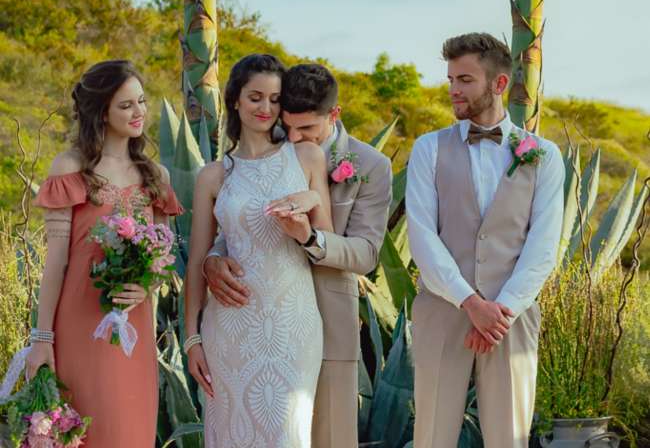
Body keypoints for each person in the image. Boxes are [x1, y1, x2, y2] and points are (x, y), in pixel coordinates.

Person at [203, 63, 393, 447]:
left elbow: (366, 253)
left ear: (333, 115)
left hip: (328, 320)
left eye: (305, 129)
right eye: (287, 126)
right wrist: (213, 256)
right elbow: (244, 216)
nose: (293, 136)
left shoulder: (372, 165)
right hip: (262, 321)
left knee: (330, 439)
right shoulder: (268, 146)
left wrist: (311, 238)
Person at [406, 33, 564, 448]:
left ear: (499, 84)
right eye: (450, 79)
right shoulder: (429, 150)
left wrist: (502, 311)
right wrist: (470, 302)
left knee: (508, 437)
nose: (453, 89)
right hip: (443, 309)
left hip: (512, 317)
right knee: (432, 436)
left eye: (465, 79)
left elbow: (543, 247)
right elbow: (421, 236)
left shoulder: (544, 156)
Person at [28, 60, 182, 447]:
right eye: (126, 105)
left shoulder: (155, 176)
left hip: (133, 329)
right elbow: (56, 264)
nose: (139, 112)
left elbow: (163, 259)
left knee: (129, 429)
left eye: (142, 102)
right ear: (101, 111)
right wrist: (42, 339)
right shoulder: (71, 168)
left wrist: (147, 288)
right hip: (79, 327)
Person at [184, 54, 333, 447]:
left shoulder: (306, 157)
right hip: (228, 331)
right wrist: (191, 338)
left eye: (274, 99)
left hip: (292, 327)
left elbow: (327, 243)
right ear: (235, 100)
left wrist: (309, 199)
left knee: (288, 435)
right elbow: (199, 259)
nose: (265, 108)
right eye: (255, 97)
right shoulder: (214, 176)